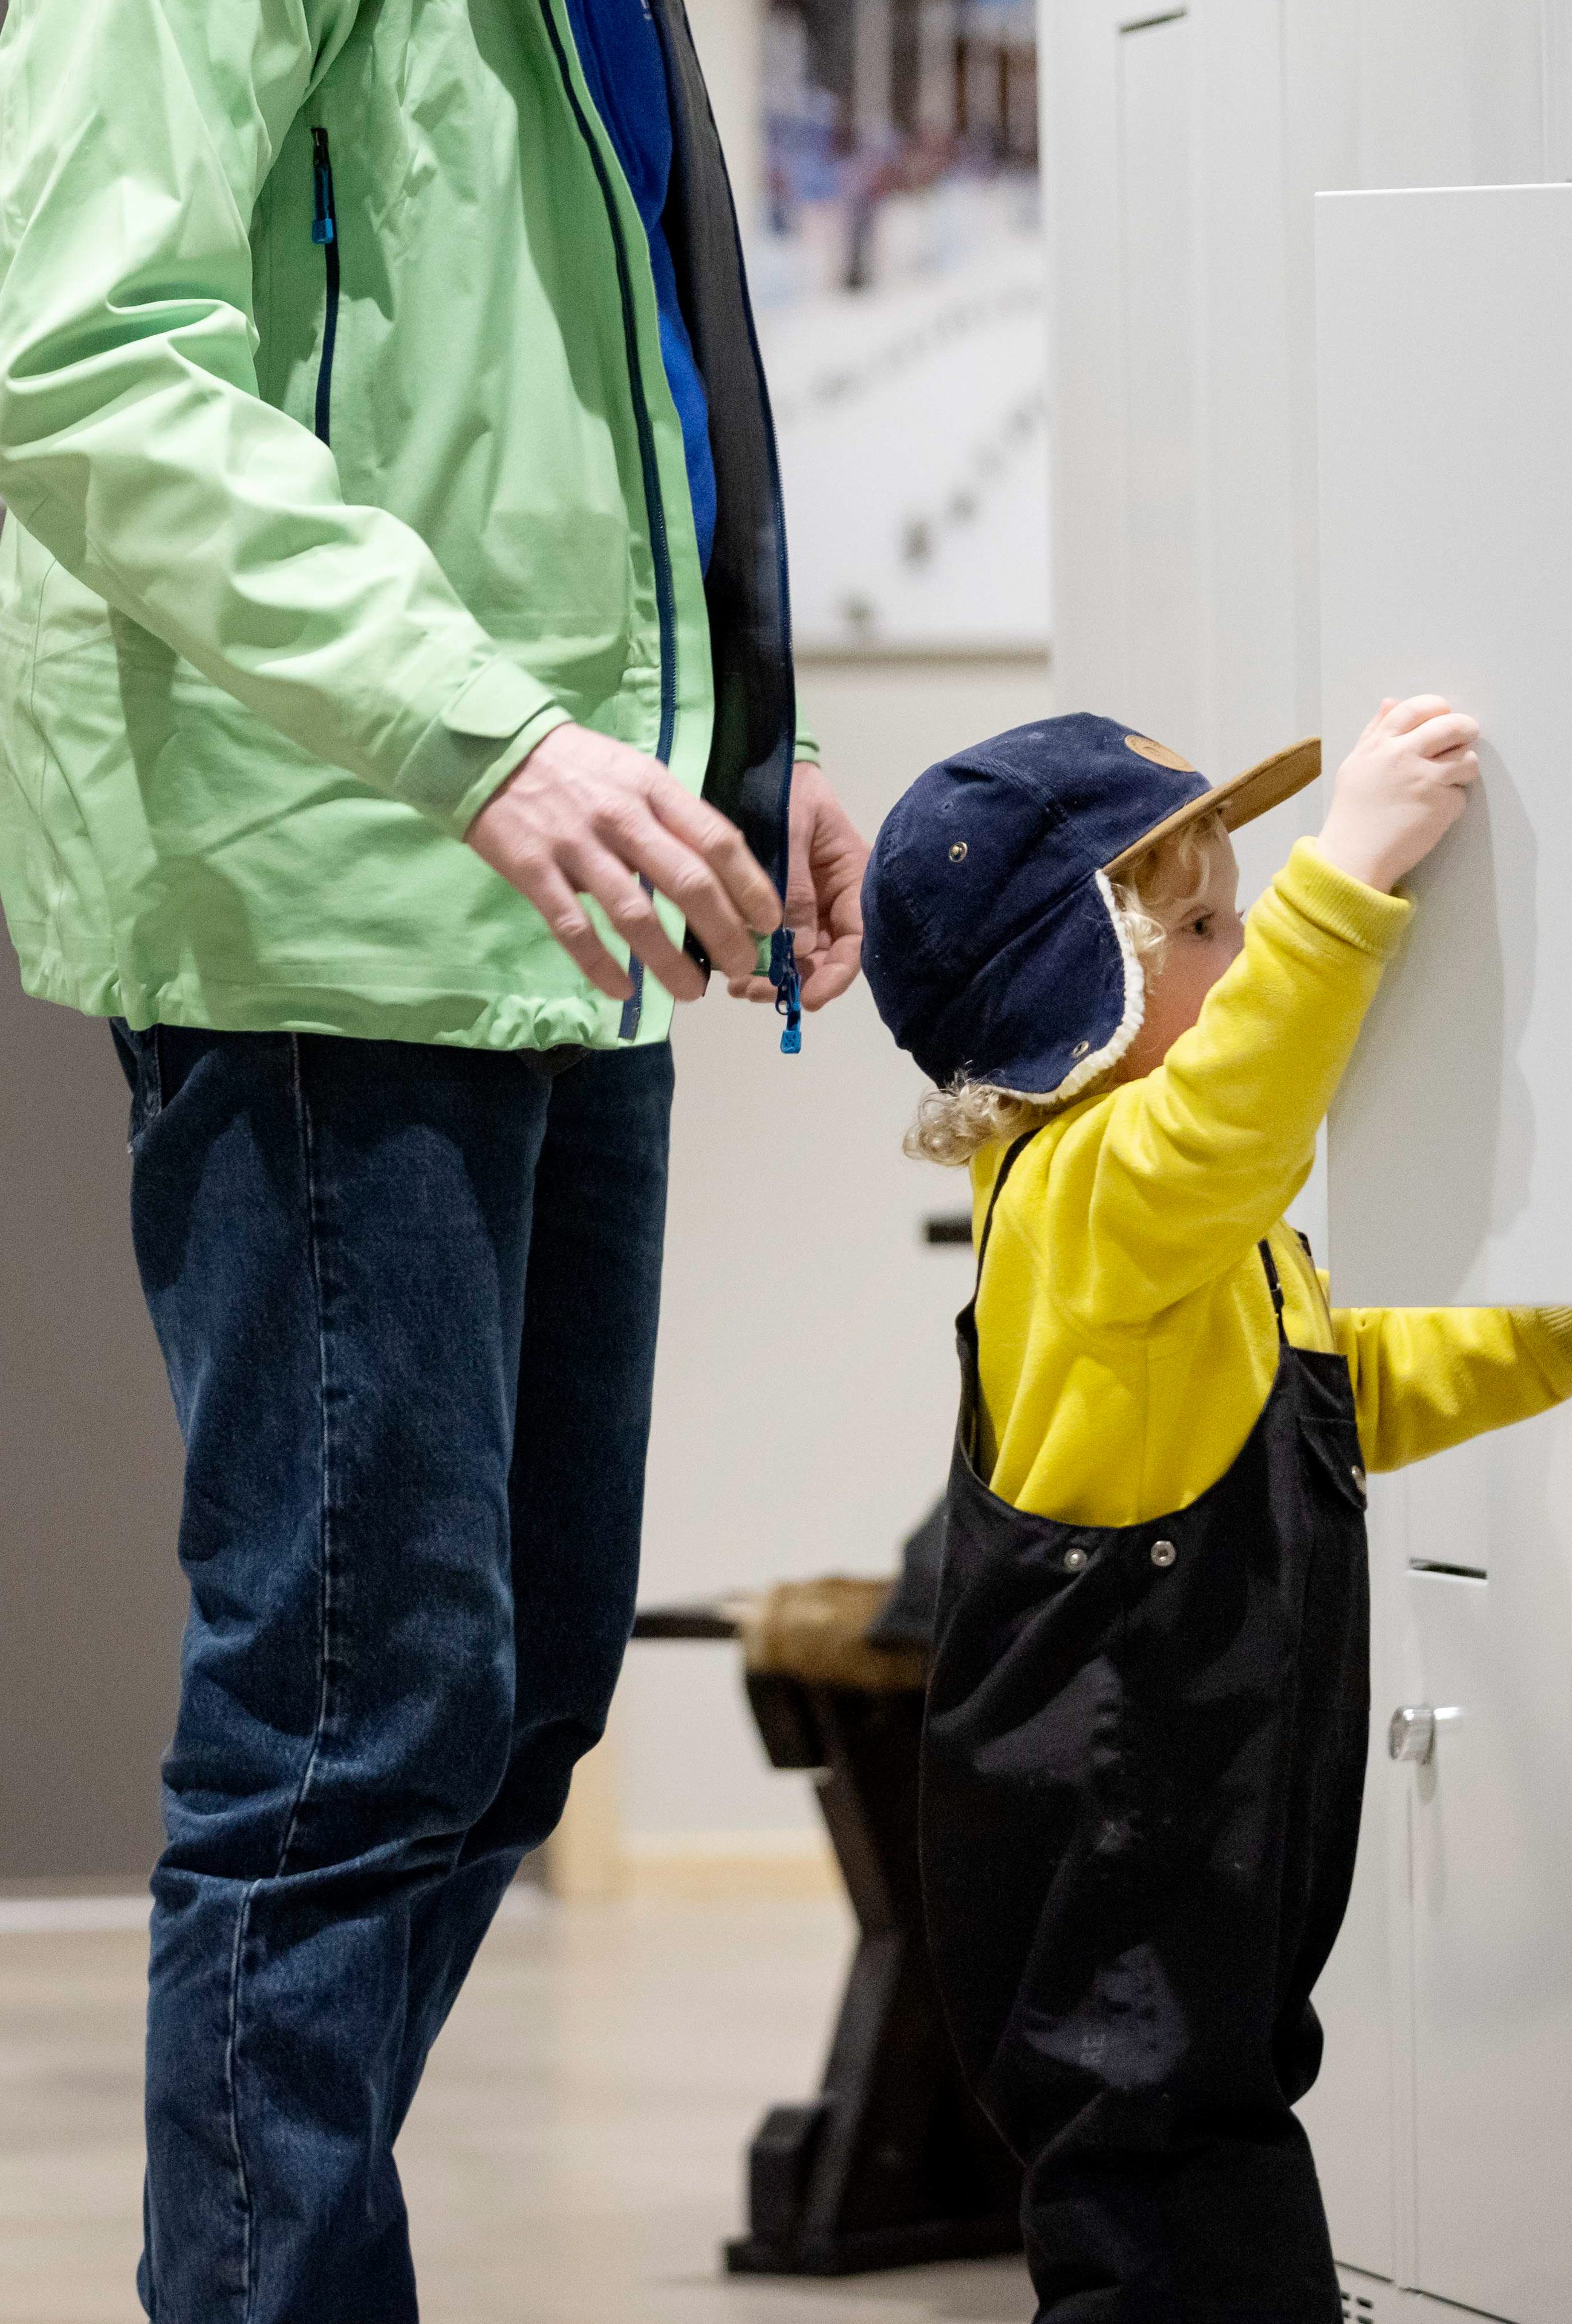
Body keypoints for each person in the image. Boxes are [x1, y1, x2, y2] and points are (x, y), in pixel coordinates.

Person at [0, 2, 865, 2317]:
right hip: (331, 880)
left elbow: (619, 371)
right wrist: (472, 729)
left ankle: (247, 2267)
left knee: (508, 1688)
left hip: (554, 883)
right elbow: (76, 358)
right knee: (351, 1711)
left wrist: (747, 732)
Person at [860, 698, 1572, 2317]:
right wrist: (1345, 874)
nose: (1233, 953)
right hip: (1111, 1927)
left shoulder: (1190, 1252)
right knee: (1167, 2254)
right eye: (1200, 926)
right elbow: (1233, 1116)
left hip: (1198, 1952)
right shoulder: (1090, 1197)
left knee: (1227, 2243)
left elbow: (1342, 1394)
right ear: (1083, 988)